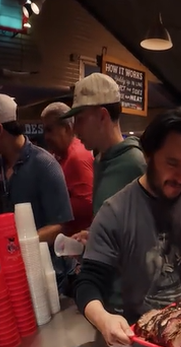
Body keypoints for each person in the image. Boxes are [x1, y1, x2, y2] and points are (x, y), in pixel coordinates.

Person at [73, 107, 181, 347]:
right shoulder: (114, 212)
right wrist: (104, 320)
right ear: (148, 155)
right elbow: (87, 283)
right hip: (139, 341)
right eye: (172, 163)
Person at [0, 93, 73, 253]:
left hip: (47, 269)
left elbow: (59, 226)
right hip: (14, 267)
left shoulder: (44, 164)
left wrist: (17, 245)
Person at [61, 73, 146, 231]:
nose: (75, 130)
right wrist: (91, 234)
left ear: (102, 116)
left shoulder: (136, 163)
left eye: (80, 119)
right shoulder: (100, 160)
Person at [41, 102, 93, 235]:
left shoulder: (77, 157)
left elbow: (87, 203)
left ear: (68, 129)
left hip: (79, 241)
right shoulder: (59, 156)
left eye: (50, 130)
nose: (46, 137)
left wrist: (51, 203)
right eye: (44, 131)